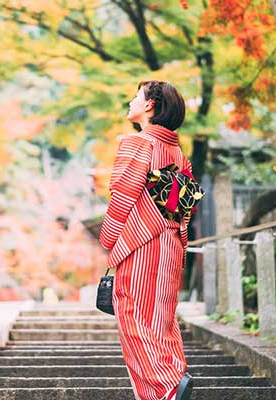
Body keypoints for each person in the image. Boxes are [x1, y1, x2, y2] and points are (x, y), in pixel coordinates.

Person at [99, 80, 194, 400]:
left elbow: (123, 195)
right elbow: (185, 208)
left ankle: (164, 387)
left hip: (141, 245)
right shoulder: (178, 154)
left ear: (151, 105)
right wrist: (177, 240)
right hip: (169, 243)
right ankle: (175, 374)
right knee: (162, 318)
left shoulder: (137, 144)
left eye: (136, 97)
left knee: (132, 312)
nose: (131, 102)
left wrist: (109, 238)